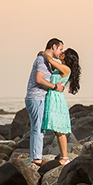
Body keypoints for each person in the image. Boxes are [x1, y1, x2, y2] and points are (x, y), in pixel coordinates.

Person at [25, 38, 65, 166]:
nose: (61, 52)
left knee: (38, 129)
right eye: (60, 49)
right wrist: (55, 87)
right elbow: (39, 79)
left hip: (38, 97)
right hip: (37, 97)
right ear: (54, 46)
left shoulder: (44, 60)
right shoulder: (42, 60)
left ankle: (36, 157)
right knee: (38, 129)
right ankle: (36, 158)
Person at [42, 47, 81, 164]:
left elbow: (50, 60)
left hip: (56, 99)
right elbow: (51, 65)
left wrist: (44, 53)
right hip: (52, 97)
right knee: (57, 131)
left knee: (60, 130)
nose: (61, 53)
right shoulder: (61, 67)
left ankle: (65, 157)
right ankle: (63, 157)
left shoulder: (66, 68)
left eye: (64, 53)